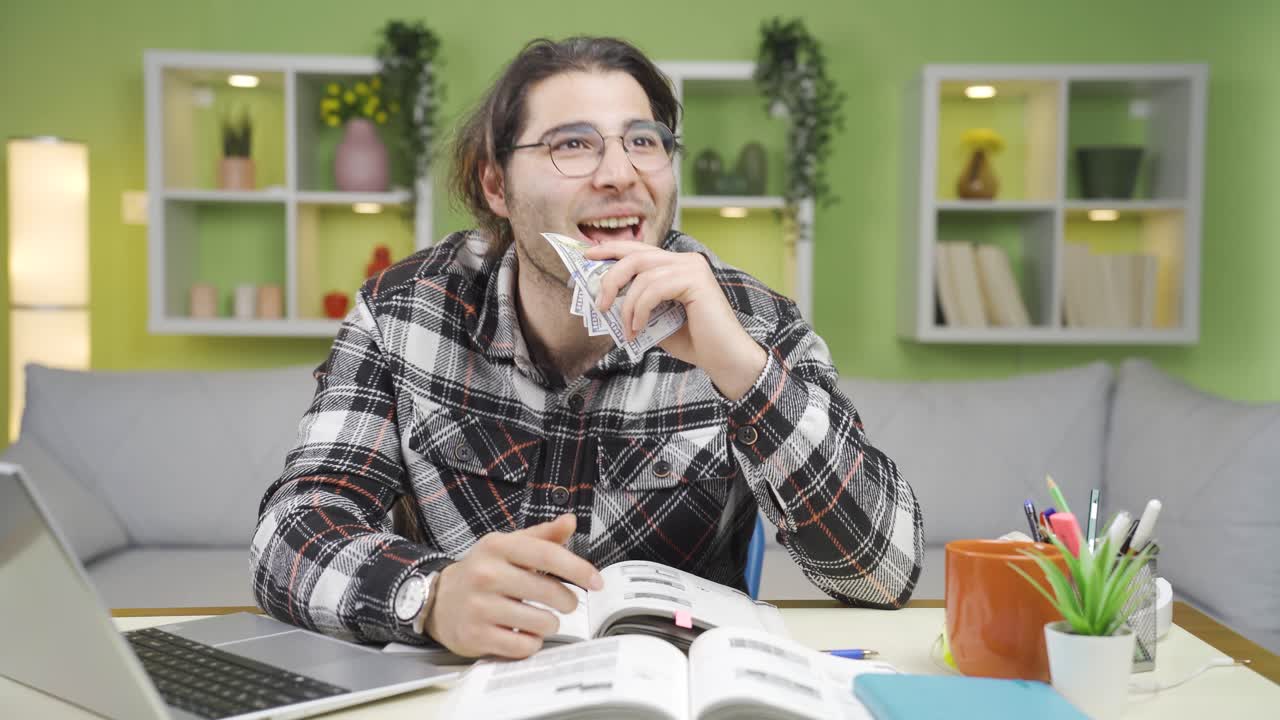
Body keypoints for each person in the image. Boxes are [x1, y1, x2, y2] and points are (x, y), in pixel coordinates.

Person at [250, 36, 924, 660]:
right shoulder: (405, 314)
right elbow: (291, 532)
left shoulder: (755, 324)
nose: (619, 174)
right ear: (496, 186)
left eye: (644, 141)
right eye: (572, 145)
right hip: (466, 686)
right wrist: (428, 596)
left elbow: (885, 573)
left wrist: (744, 374)